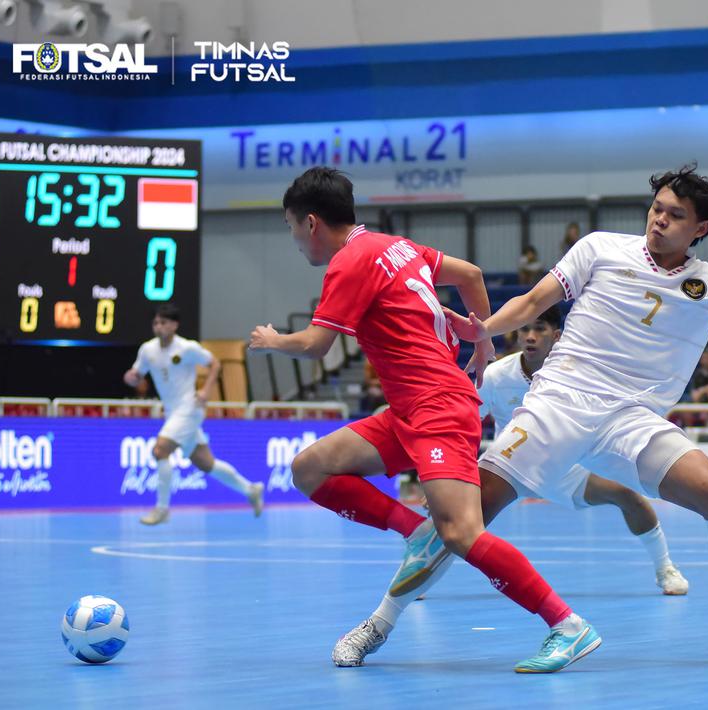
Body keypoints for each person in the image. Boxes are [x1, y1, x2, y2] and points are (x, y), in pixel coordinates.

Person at [388, 165, 708, 667]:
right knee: (463, 517)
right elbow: (534, 300)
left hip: (631, 420)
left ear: (700, 228)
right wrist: (486, 329)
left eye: (675, 215)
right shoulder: (600, 248)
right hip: (560, 403)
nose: (659, 219)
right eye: (657, 208)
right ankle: (379, 624)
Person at [248, 167, 598, 673]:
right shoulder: (396, 246)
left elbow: (317, 345)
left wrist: (273, 340)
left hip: (437, 408)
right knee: (309, 469)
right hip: (407, 410)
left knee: (461, 533)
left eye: (291, 228)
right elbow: (471, 275)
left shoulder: (348, 262)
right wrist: (483, 340)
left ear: (311, 223)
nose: (295, 240)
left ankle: (567, 624)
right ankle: (416, 531)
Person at [478, 305, 690, 595]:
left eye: (539, 329)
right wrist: (455, 474)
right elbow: (467, 422)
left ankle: (665, 568)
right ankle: (417, 577)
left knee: (628, 496)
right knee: (457, 512)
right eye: (524, 329)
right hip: (512, 464)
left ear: (556, 336)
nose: (530, 336)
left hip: (568, 465)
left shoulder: (577, 372)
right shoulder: (495, 376)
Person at [124, 304, 264, 526]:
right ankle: (250, 489)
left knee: (160, 450)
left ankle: (162, 509)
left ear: (174, 325)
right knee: (206, 463)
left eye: (163, 322)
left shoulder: (187, 348)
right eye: (155, 322)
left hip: (189, 408)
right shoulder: (147, 350)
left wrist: (206, 390)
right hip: (172, 412)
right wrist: (131, 378)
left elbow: (214, 364)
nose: (158, 326)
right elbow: (136, 374)